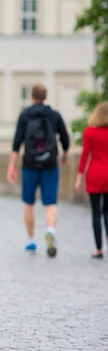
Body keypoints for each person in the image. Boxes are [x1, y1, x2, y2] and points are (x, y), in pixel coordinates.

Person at [7, 84, 70, 257]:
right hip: (50, 164)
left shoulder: (25, 115)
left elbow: (17, 142)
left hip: (30, 164)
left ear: (32, 97)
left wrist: (12, 166)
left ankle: (31, 239)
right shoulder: (54, 115)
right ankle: (50, 230)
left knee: (29, 203)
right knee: (50, 203)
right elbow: (65, 138)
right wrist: (64, 154)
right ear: (45, 96)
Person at [75, 101, 108, 259]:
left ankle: (99, 248)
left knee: (96, 212)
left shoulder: (89, 132)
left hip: (94, 175)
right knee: (107, 212)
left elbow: (85, 155)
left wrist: (79, 177)